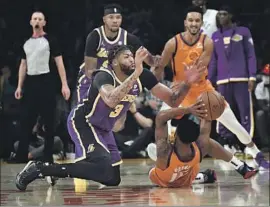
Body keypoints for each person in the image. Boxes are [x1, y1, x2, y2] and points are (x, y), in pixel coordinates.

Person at [15, 44, 206, 191]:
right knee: (102, 165)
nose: (132, 60)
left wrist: (188, 83)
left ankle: (54, 170)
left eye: (133, 56)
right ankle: (39, 168)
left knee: (112, 178)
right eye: (127, 56)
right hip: (84, 122)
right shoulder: (103, 75)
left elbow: (173, 100)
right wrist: (137, 72)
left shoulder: (142, 76)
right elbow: (111, 99)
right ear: (114, 62)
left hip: (104, 129)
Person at [151, 6, 269, 170]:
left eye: (197, 21)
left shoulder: (207, 41)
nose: (194, 23)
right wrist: (155, 68)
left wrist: (189, 76)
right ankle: (166, 157)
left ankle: (255, 153)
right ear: (185, 22)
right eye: (191, 20)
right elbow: (159, 67)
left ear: (201, 22)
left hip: (204, 91)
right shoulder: (173, 43)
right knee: (164, 121)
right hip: (180, 92)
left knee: (235, 125)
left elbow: (201, 68)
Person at [148, 103, 258, 188]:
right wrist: (208, 105)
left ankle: (202, 177)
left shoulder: (164, 152)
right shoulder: (201, 146)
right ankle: (241, 167)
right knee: (208, 143)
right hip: (188, 176)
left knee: (152, 150)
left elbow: (160, 118)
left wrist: (188, 109)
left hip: (162, 180)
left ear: (175, 135)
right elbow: (206, 125)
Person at [11, 11, 70, 163]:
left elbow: (59, 62)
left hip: (46, 80)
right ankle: (22, 154)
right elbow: (23, 64)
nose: (37, 21)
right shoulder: (26, 42)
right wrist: (19, 86)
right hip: (31, 81)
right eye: (35, 19)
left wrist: (64, 84)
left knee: (49, 119)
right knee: (26, 119)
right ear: (31, 22)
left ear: (44, 23)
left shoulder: (51, 40)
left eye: (40, 19)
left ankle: (47, 155)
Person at [76, 4, 159, 104]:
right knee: (86, 113)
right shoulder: (95, 36)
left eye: (118, 17)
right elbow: (90, 71)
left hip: (114, 81)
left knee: (117, 114)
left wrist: (160, 59)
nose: (115, 20)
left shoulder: (129, 38)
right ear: (104, 19)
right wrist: (105, 86)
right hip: (92, 81)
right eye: (111, 17)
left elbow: (150, 60)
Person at [209, 6, 258, 156]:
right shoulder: (215, 36)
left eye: (224, 14)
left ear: (230, 15)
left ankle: (248, 146)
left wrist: (252, 76)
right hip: (222, 81)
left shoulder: (243, 32)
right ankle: (228, 144)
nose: (221, 17)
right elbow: (213, 61)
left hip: (241, 78)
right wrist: (210, 80)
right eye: (219, 15)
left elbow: (250, 55)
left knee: (244, 113)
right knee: (223, 114)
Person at [254, 64, 270, 152]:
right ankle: (266, 144)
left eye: (268, 76)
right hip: (267, 112)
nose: (266, 77)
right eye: (265, 75)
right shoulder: (260, 87)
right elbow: (262, 105)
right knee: (260, 114)